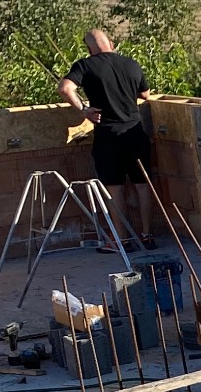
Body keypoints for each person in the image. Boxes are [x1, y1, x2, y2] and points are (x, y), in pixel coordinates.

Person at [58, 29, 156, 246]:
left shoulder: (85, 65)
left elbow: (65, 88)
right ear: (111, 43)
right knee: (142, 184)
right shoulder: (131, 63)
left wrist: (84, 109)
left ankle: (123, 240)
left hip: (109, 137)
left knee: (115, 187)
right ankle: (148, 236)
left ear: (89, 49)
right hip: (135, 132)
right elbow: (145, 94)